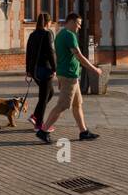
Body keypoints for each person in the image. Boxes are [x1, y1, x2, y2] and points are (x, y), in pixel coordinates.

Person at [37, 12, 101, 144]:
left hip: (68, 75)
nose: (79, 27)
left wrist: (60, 77)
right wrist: (94, 69)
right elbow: (79, 56)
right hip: (69, 75)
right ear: (71, 21)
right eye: (78, 24)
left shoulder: (60, 34)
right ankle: (43, 131)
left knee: (77, 104)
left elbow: (60, 57)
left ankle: (83, 132)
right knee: (62, 105)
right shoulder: (69, 35)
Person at [24, 12, 56, 130]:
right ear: (48, 22)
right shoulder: (47, 34)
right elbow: (51, 52)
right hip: (45, 69)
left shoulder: (32, 35)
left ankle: (35, 116)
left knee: (50, 92)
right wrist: (54, 68)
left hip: (35, 70)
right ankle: (39, 124)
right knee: (43, 97)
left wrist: (28, 70)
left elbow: (28, 53)